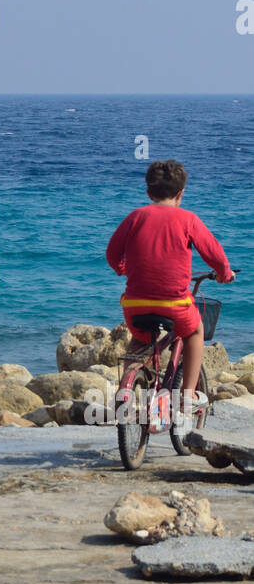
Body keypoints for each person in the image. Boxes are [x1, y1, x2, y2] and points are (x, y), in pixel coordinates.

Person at [106, 159, 234, 420]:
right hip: (174, 305)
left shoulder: (135, 217)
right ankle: (187, 396)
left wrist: (124, 269)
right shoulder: (188, 219)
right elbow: (215, 255)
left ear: (149, 194)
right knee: (195, 330)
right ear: (181, 194)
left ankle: (125, 390)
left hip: (135, 304)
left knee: (140, 340)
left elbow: (112, 254)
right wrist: (224, 274)